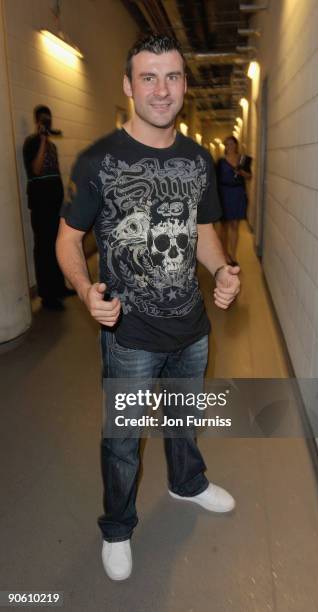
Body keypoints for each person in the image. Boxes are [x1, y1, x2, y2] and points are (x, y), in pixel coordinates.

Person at [56, 34, 241, 581]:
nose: (162, 90)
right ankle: (117, 527)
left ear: (185, 84)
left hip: (192, 328)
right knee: (123, 442)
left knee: (185, 422)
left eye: (172, 77)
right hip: (129, 335)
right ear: (128, 86)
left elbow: (201, 228)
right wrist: (85, 289)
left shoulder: (197, 160)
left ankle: (187, 484)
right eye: (148, 77)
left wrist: (223, 269)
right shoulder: (99, 161)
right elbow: (67, 239)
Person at [23, 105, 75, 310]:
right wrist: (43, 139)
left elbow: (54, 174)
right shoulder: (32, 143)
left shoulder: (53, 146)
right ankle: (47, 296)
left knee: (57, 247)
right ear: (37, 122)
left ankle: (59, 287)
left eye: (49, 119)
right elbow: (36, 169)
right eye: (44, 120)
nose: (48, 123)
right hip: (40, 205)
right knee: (44, 250)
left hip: (55, 205)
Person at [216, 136, 251, 264]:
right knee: (224, 226)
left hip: (237, 193)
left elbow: (249, 176)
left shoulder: (242, 159)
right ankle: (224, 254)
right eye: (228, 144)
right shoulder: (220, 161)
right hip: (224, 193)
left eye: (232, 143)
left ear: (236, 145)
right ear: (225, 146)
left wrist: (241, 171)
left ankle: (233, 255)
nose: (230, 146)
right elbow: (216, 179)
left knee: (235, 225)